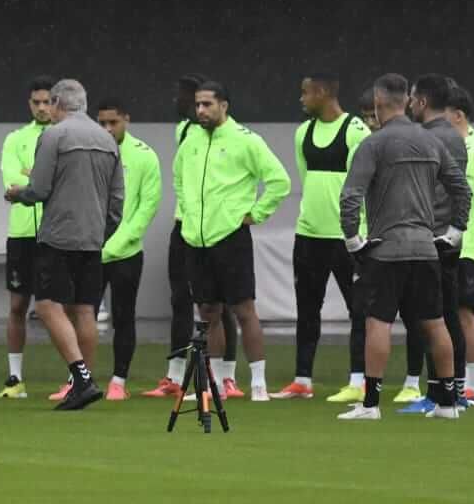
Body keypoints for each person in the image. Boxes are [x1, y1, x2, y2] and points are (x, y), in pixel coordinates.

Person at [337, 73, 470, 422]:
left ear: (379, 105)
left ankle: (370, 405)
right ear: (406, 102)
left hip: (386, 251)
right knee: (435, 323)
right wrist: (455, 231)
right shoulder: (431, 142)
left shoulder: (374, 144)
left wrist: (353, 241)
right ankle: (447, 403)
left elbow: (350, 197)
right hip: (426, 248)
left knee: (377, 323)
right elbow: (461, 189)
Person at [4, 79, 123, 411]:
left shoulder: (53, 136)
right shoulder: (108, 140)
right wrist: (101, 233)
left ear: (57, 103)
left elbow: (39, 190)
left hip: (58, 235)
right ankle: (82, 384)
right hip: (92, 238)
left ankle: (81, 378)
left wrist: (17, 194)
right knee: (85, 309)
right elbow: (117, 202)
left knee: (46, 305)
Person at [174, 81, 291, 402]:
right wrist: (186, 212)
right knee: (208, 312)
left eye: (208, 104)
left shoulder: (245, 141)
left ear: (224, 106)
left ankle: (258, 384)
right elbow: (179, 178)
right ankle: (215, 384)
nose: (201, 110)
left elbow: (279, 181)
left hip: (230, 238)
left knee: (243, 310)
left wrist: (255, 214)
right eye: (198, 105)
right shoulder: (191, 139)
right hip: (196, 240)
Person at [143, 75, 240, 399]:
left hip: (215, 230)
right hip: (185, 227)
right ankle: (174, 373)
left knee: (221, 304)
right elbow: (180, 177)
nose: (188, 104)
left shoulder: (232, 136)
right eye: (190, 100)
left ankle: (227, 376)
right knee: (181, 299)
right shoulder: (184, 131)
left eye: (196, 100)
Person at [282, 75, 373, 402]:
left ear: (322, 93)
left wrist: (354, 230)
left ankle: (358, 380)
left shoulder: (356, 130)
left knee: (359, 310)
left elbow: (360, 184)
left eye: (306, 92)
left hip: (348, 239)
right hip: (308, 236)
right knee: (307, 309)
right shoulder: (302, 133)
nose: (302, 99)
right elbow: (307, 179)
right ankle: (302, 380)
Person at [400, 74, 471, 417]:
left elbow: (442, 191)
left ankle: (446, 392)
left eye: (412, 98)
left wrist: (448, 229)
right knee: (442, 316)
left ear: (422, 102)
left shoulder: (431, 139)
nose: (410, 104)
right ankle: (448, 390)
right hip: (443, 235)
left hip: (433, 237)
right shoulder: (450, 136)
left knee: (435, 317)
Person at [94, 99, 162, 401]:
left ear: (126, 120)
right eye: (102, 123)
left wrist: (118, 243)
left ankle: (118, 380)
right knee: (83, 316)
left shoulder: (145, 156)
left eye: (113, 123)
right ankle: (78, 380)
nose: (107, 129)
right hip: (90, 251)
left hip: (126, 254)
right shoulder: (90, 152)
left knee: (123, 316)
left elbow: (147, 207)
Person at [0, 76, 54, 399]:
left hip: (56, 234)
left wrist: (34, 177)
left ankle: (75, 378)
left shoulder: (62, 137)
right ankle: (15, 378)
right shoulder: (15, 138)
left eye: (47, 102)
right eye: (37, 102)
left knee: (61, 307)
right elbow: (11, 179)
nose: (42, 107)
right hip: (21, 234)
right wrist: (38, 181)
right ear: (29, 104)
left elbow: (55, 182)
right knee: (18, 304)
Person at [448, 86, 474, 407]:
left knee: (466, 314)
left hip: (464, 247)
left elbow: (463, 194)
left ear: (458, 115)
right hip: (456, 245)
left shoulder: (472, 148)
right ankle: (458, 384)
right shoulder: (462, 144)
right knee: (455, 314)